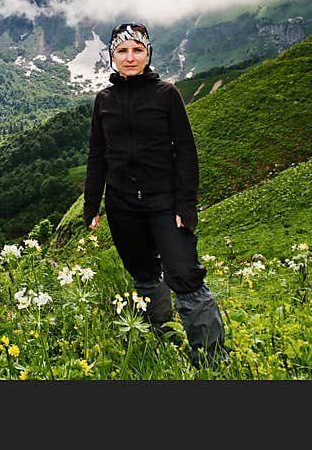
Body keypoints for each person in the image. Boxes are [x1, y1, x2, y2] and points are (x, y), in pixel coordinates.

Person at [83, 22, 228, 368]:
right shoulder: (104, 100)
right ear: (112, 56)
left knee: (185, 276)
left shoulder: (166, 95)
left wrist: (185, 205)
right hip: (121, 204)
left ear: (148, 54)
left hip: (164, 200)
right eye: (122, 51)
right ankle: (162, 337)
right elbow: (97, 155)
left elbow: (186, 152)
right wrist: (92, 206)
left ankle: (211, 360)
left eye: (137, 50)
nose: (130, 58)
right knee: (145, 274)